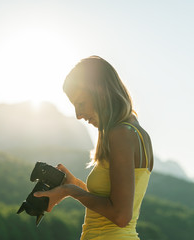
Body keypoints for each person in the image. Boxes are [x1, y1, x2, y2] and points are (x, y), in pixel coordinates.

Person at [34, 56, 154, 239]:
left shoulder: (121, 134)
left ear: (101, 93)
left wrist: (70, 191)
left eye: (81, 103)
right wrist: (74, 185)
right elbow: (110, 204)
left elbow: (121, 216)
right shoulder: (137, 134)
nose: (78, 115)